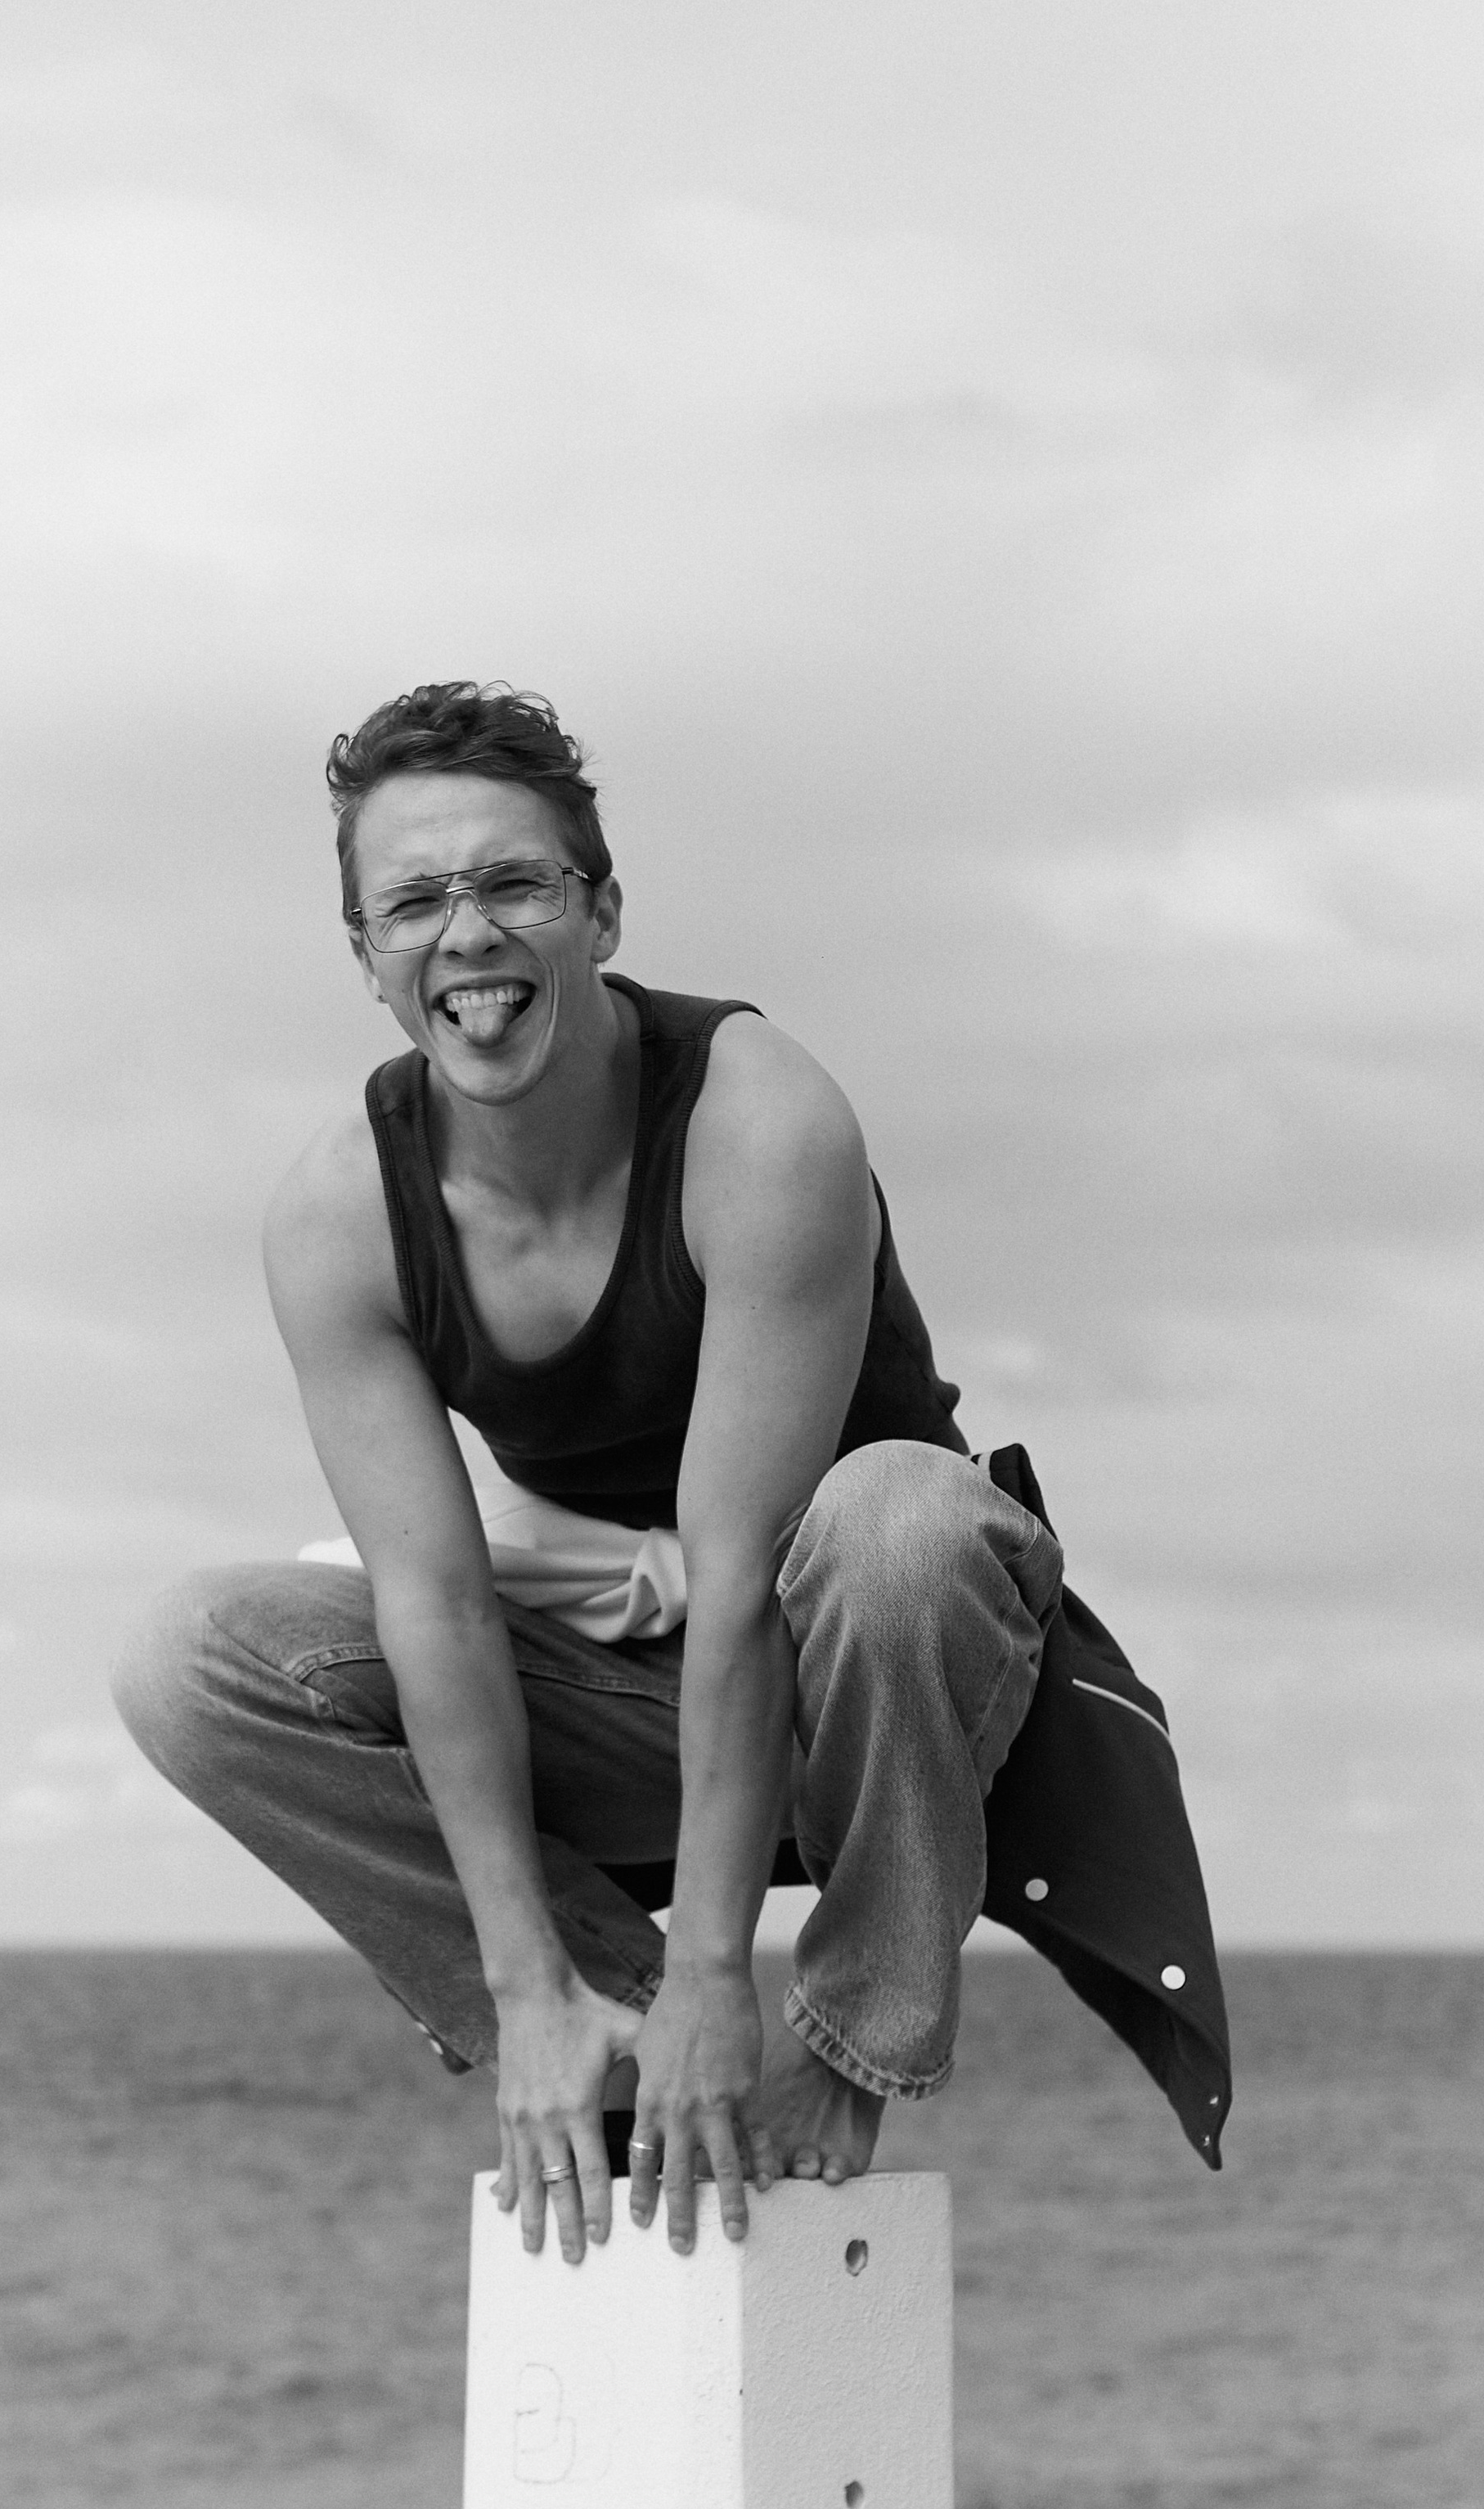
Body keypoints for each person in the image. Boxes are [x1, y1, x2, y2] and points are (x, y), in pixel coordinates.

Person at [114, 682, 1230, 2265]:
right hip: (627, 1700)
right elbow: (433, 1612)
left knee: (894, 1520)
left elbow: (743, 1574)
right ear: (366, 955)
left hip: (882, 1680)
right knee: (193, 1658)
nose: (469, 935)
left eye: (515, 884)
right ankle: (603, 2022)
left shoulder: (759, 1117)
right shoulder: (339, 1213)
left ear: (601, 909)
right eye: (415, 902)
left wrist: (731, 1968)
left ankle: (846, 2041)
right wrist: (525, 1989)